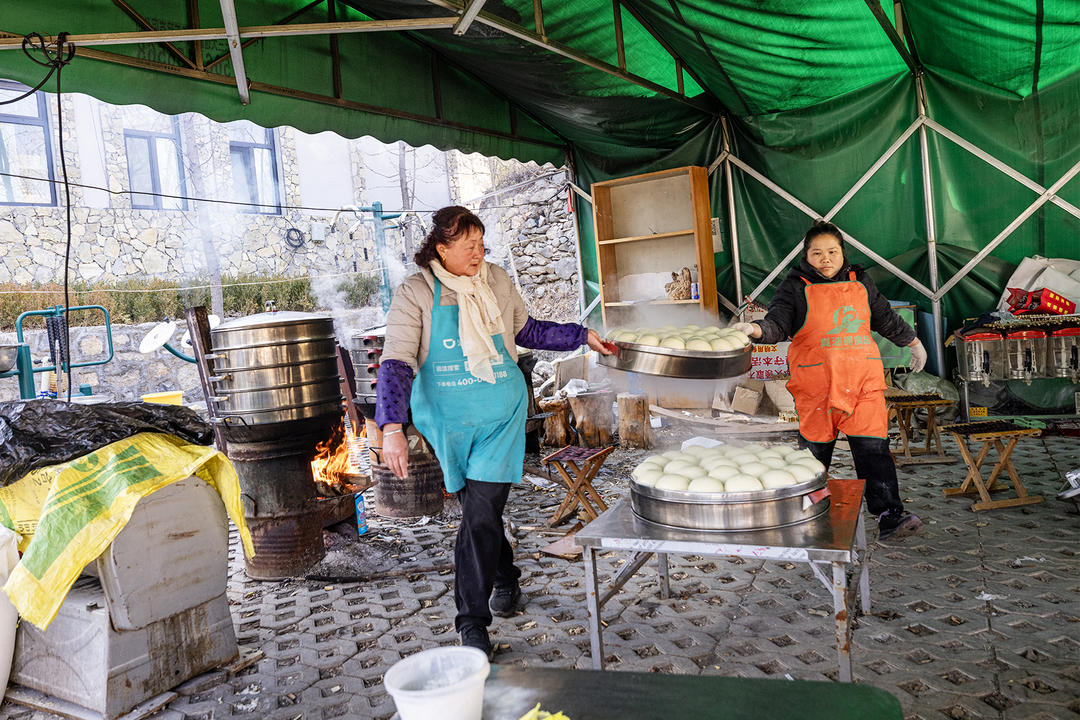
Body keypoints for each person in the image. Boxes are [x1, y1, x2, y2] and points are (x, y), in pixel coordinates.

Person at [375, 206, 612, 659]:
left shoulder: (497, 280)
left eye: (482, 244)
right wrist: (391, 427)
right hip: (448, 424)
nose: (480, 254)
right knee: (478, 515)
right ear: (441, 249)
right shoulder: (415, 293)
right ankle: (506, 576)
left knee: (480, 514)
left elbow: (526, 330)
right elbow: (397, 362)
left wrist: (582, 335)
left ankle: (471, 623)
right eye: (469, 247)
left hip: (500, 416)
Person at [733, 220, 927, 542]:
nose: (825, 258)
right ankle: (809, 511)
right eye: (817, 252)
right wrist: (754, 330)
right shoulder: (794, 286)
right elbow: (777, 323)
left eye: (832, 252)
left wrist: (912, 342)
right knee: (813, 457)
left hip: (862, 383)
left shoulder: (861, 281)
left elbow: (884, 317)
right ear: (806, 256)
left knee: (874, 451)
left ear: (842, 253)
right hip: (817, 388)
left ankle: (888, 516)